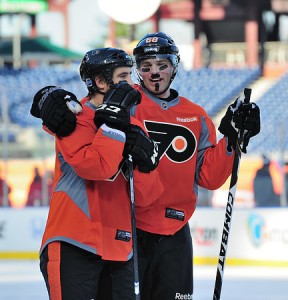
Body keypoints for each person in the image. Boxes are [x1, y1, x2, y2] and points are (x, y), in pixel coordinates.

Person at [31, 32, 261, 300]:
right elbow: (78, 115)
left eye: (162, 66)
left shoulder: (195, 115)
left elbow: (209, 176)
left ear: (174, 66)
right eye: (145, 67)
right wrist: (48, 97)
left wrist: (231, 139)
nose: (154, 73)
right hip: (129, 229)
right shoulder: (124, 104)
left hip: (174, 232)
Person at [30, 48, 163, 300]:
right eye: (123, 76)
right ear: (101, 82)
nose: (131, 83)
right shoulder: (73, 118)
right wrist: (113, 126)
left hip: (120, 249)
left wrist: (146, 164)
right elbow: (96, 167)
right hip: (74, 243)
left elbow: (147, 197)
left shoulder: (133, 123)